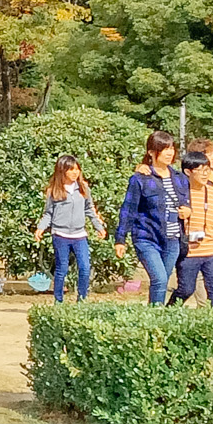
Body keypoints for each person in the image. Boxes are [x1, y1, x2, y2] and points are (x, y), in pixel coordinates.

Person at [115, 130, 189, 305]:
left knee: (162, 281)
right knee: (160, 279)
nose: (170, 153)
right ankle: (155, 318)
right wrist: (120, 239)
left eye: (171, 148)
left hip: (172, 239)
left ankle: (156, 317)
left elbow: (187, 202)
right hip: (146, 237)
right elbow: (129, 209)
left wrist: (188, 211)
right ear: (151, 152)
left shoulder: (180, 178)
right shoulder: (140, 178)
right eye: (164, 149)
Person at [34, 155, 107, 303]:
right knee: (62, 269)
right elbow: (48, 213)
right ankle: (58, 301)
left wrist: (98, 227)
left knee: (85, 268)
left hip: (80, 235)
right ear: (62, 171)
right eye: (71, 169)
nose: (75, 172)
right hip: (60, 234)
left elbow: (89, 209)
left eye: (77, 169)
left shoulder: (83, 188)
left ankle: (82, 300)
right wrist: (41, 228)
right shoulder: (54, 190)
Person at [173, 150, 213, 309]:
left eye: (208, 169)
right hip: (189, 252)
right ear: (188, 172)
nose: (206, 174)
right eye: (201, 170)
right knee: (186, 289)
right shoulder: (178, 194)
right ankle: (169, 312)